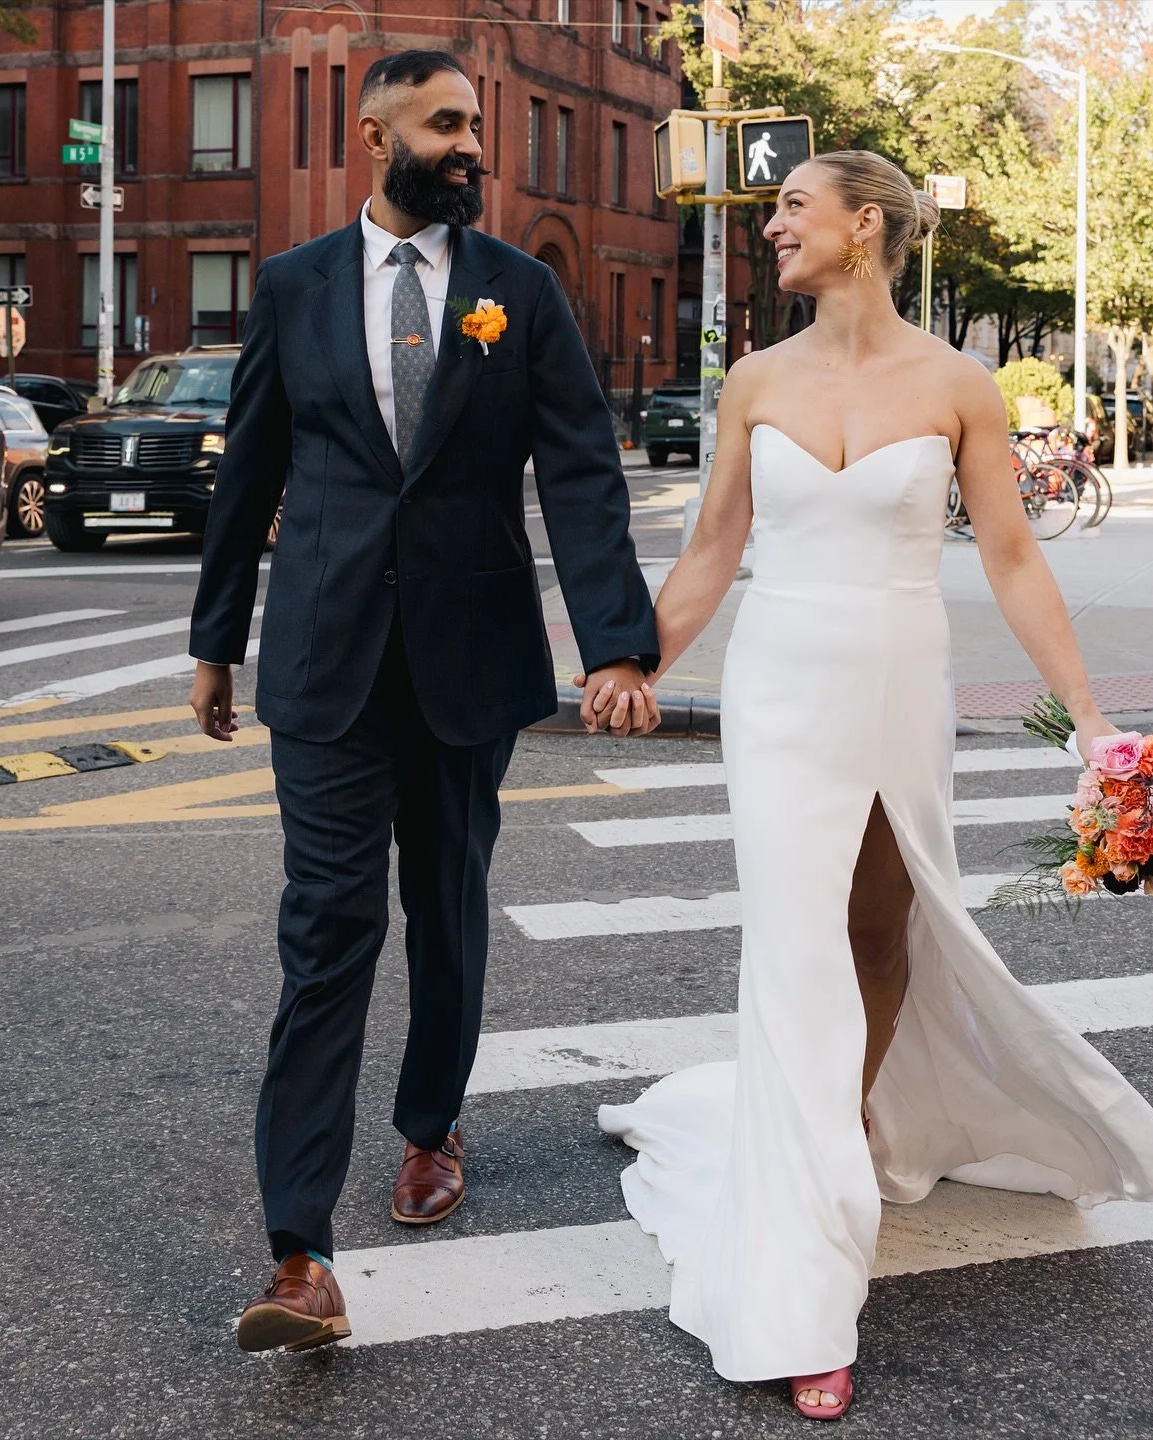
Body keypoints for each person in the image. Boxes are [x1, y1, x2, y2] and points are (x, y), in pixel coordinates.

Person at [597, 151, 1153, 1422]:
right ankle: (805, 1275)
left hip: (901, 673)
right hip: (781, 685)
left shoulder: (957, 382)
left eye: (791, 208)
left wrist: (1089, 717)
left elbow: (1020, 559)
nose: (769, 227)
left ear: (863, 228)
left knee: (883, 930)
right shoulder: (754, 382)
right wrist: (637, 660)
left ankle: (851, 1118)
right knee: (797, 947)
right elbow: (715, 549)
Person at [189, 50, 661, 1355]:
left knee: (444, 908)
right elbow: (254, 468)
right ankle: (298, 1253)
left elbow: (580, 469)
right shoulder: (293, 288)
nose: (472, 145)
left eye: (477, 125)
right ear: (373, 132)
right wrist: (215, 638)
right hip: (327, 658)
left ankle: (429, 1124)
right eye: (447, 125)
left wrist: (617, 643)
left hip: (469, 654)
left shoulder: (522, 292)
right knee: (326, 931)